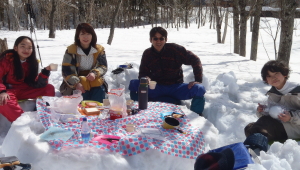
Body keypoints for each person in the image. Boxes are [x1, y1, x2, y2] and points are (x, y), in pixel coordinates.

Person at [129, 27, 206, 115]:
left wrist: (198, 80)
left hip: (176, 87)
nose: (158, 41)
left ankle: (195, 115)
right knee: (134, 84)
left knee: (199, 89)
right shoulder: (147, 53)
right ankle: (139, 110)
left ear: (166, 39)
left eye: (161, 38)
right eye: (155, 38)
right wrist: (146, 78)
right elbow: (143, 73)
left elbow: (195, 60)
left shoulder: (176, 49)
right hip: (157, 87)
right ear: (151, 40)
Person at [0, 36, 55, 122]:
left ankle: (41, 110)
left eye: (29, 48)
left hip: (24, 89)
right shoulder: (6, 60)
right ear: (15, 48)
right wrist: (2, 91)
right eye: (23, 46)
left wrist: (45, 72)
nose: (26, 50)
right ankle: (23, 122)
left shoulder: (31, 62)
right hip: (8, 90)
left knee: (49, 88)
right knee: (3, 101)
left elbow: (34, 82)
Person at [244, 60, 300, 142]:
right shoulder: (273, 94)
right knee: (250, 127)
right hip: (280, 125)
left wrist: (291, 117)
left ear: (284, 74)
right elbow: (273, 113)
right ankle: (255, 146)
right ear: (266, 80)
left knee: (259, 127)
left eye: (276, 73)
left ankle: (254, 148)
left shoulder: (297, 91)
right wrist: (263, 110)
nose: (273, 78)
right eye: (269, 76)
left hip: (295, 128)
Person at [60, 23, 108, 103]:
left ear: (92, 36)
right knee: (83, 87)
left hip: (93, 79)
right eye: (82, 34)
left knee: (98, 87)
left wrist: (94, 73)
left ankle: (98, 110)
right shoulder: (71, 51)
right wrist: (76, 84)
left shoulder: (99, 50)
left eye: (88, 34)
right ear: (78, 36)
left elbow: (103, 66)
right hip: (76, 82)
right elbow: (67, 71)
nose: (85, 37)